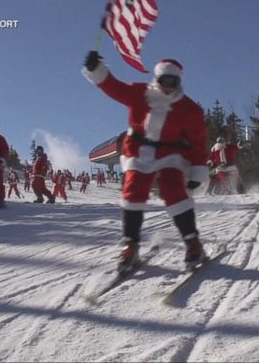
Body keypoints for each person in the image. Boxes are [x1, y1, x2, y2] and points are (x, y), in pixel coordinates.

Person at [82, 51, 209, 271]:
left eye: (174, 82)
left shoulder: (190, 110)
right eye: (164, 81)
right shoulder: (140, 93)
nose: (168, 87)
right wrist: (97, 70)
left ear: (179, 83)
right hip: (139, 151)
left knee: (174, 192)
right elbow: (114, 87)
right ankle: (130, 246)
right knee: (133, 192)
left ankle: (192, 242)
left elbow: (198, 142)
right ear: (157, 81)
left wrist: (197, 171)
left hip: (170, 153)